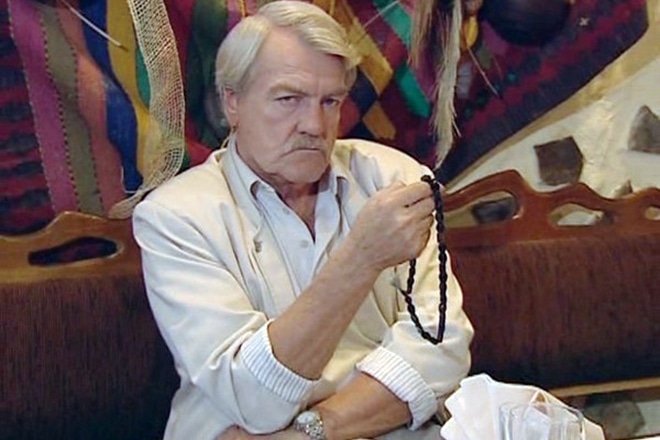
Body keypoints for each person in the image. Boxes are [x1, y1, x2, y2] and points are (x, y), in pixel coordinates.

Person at [132, 1, 473, 439]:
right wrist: (361, 258)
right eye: (288, 99)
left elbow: (441, 346)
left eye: (330, 101)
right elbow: (252, 398)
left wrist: (313, 431)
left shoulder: (394, 179)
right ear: (232, 102)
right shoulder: (175, 218)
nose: (314, 124)